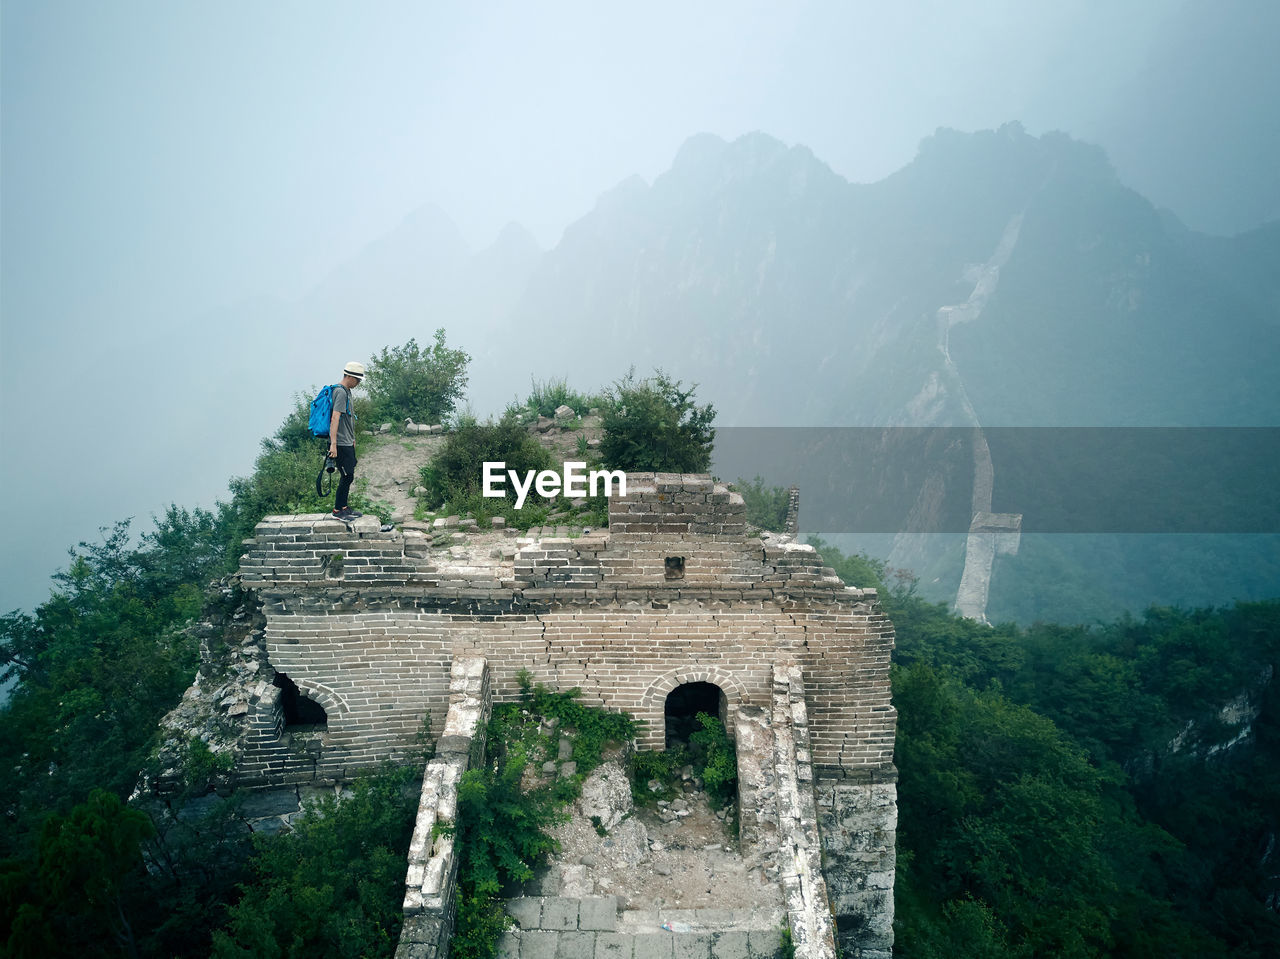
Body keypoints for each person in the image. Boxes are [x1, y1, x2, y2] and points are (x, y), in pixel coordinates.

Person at [328, 362, 365, 520]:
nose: (358, 383)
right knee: (346, 475)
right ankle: (337, 511)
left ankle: (344, 507)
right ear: (349, 376)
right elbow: (335, 417)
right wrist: (333, 444)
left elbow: (348, 418)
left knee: (349, 475)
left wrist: (353, 438)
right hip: (340, 443)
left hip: (347, 441)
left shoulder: (347, 391)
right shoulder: (340, 392)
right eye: (357, 379)